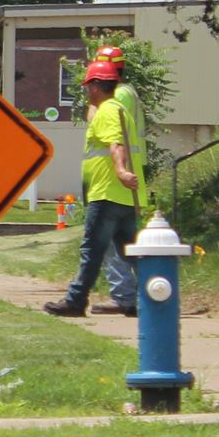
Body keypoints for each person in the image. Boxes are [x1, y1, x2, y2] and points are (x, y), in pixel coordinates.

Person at [44, 60, 138, 317]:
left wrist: (119, 171)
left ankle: (75, 300)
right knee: (133, 252)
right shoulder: (121, 109)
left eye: (88, 86)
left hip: (107, 193)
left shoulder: (108, 110)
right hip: (125, 197)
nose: (86, 91)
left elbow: (116, 144)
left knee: (92, 250)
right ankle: (153, 298)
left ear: (96, 86)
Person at [91, 43, 148, 314]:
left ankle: (126, 296)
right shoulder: (129, 93)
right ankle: (149, 293)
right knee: (126, 244)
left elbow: (112, 135)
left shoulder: (119, 96)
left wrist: (120, 170)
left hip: (119, 183)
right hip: (124, 180)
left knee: (115, 245)